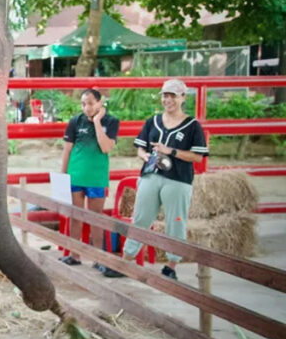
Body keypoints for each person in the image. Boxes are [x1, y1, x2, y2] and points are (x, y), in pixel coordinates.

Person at [102, 78, 208, 280]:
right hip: (151, 175)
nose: (168, 100)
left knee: (175, 221)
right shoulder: (153, 121)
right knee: (140, 218)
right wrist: (148, 157)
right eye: (165, 96)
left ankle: (171, 266)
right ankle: (126, 261)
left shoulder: (192, 126)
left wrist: (171, 152)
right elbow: (141, 148)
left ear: (183, 97)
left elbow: (197, 156)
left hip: (177, 179)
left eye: (173, 96)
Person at [58, 89, 119, 269]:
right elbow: (67, 149)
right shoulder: (76, 121)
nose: (87, 108)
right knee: (75, 216)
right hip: (76, 174)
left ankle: (98, 257)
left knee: (95, 218)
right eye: (84, 104)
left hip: (97, 177)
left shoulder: (111, 121)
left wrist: (98, 122)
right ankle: (74, 255)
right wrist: (63, 176)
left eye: (91, 103)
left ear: (100, 103)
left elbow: (106, 147)